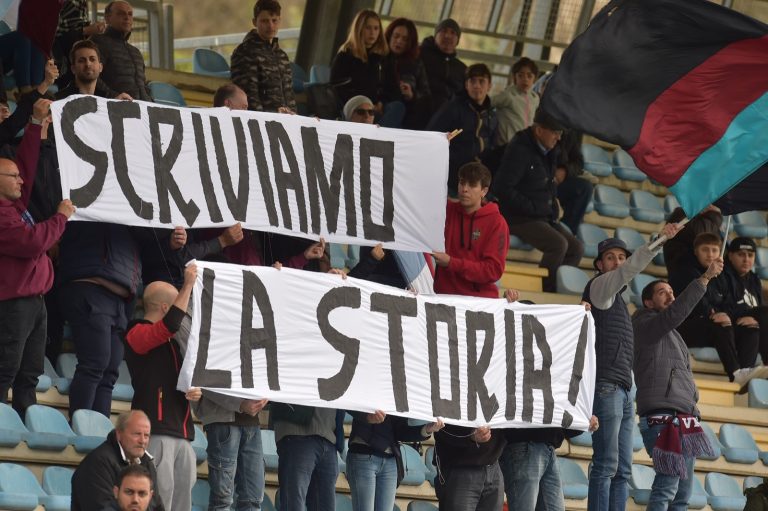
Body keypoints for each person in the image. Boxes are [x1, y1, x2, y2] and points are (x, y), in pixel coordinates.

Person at [582, 225, 682, 511]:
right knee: (606, 464)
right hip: (607, 386)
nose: (617, 262)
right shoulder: (599, 288)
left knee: (622, 469)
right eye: (610, 258)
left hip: (624, 389)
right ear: (599, 265)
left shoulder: (617, 300)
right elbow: (627, 272)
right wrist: (659, 241)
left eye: (621, 257)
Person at [0, 99, 75, 418]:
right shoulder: (2, 215)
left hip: (36, 300)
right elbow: (32, 242)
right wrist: (60, 218)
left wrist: (34, 125)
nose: (21, 180)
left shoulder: (14, 206)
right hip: (13, 303)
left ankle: (21, 424)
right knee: (6, 369)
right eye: (12, 176)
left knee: (30, 373)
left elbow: (27, 167)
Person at [633, 257, 723, 510]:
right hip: (662, 418)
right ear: (648, 302)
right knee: (667, 486)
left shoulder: (672, 333)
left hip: (684, 418)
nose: (671, 296)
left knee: (683, 495)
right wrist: (705, 278)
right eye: (663, 292)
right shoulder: (643, 323)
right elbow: (675, 314)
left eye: (672, 291)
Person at [123, 265, 198, 511]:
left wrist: (194, 390)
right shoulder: (136, 332)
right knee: (158, 501)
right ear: (166, 308)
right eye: (180, 304)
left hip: (183, 432)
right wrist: (187, 285)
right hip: (156, 431)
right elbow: (170, 324)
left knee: (182, 504)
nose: (183, 311)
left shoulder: (174, 344)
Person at [492, 107, 583, 293]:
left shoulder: (549, 150)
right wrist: (531, 207)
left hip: (542, 215)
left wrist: (552, 207)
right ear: (539, 130)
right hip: (518, 217)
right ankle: (546, 293)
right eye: (555, 132)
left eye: (560, 133)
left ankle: (560, 290)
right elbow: (502, 187)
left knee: (576, 248)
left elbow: (548, 183)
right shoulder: (520, 150)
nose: (558, 138)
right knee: (558, 245)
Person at [670, 233, 764, 385]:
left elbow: (728, 305)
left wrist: (733, 316)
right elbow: (695, 303)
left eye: (714, 250)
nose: (710, 255)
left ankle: (745, 376)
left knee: (750, 327)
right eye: (705, 250)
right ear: (695, 251)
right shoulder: (684, 270)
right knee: (721, 322)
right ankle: (735, 373)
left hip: (712, 327)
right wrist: (712, 312)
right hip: (685, 327)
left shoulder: (721, 275)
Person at [432, 162, 509, 298]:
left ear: (484, 191)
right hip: (443, 297)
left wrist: (451, 263)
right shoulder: (446, 210)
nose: (464, 189)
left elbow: (493, 270)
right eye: (462, 183)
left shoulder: (497, 223)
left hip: (479, 302)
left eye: (472, 185)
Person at [346, 410, 443, 511]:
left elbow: (401, 431)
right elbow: (349, 405)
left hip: (390, 459)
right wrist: (367, 416)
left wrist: (426, 429)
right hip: (364, 454)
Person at [427, 63, 498, 195]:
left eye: (481, 81)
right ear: (466, 85)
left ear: (489, 86)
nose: (477, 86)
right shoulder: (452, 108)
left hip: (479, 177)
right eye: (472, 81)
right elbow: (432, 136)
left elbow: (493, 145)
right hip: (452, 175)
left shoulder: (492, 113)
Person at [72, 410, 165, 511]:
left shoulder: (147, 463)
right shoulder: (97, 463)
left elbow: (156, 506)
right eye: (137, 434)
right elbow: (102, 507)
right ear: (119, 434)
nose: (142, 441)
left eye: (146, 435)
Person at [705, 237, 768, 380]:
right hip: (727, 326)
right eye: (741, 254)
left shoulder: (754, 279)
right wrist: (745, 315)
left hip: (749, 326)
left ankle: (743, 378)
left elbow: (758, 307)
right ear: (730, 256)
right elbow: (718, 310)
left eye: (750, 255)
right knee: (764, 314)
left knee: (756, 324)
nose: (746, 259)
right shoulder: (721, 275)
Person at [331, 10, 405, 128]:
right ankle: (376, 134)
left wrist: (381, 102)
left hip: (378, 107)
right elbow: (338, 88)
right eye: (368, 28)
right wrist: (366, 104)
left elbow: (393, 89)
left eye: (376, 28)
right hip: (357, 107)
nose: (372, 33)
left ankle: (375, 134)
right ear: (359, 29)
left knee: (397, 107)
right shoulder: (345, 55)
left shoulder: (384, 56)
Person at [230, 0, 296, 113]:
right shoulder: (245, 52)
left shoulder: (282, 56)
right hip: (260, 121)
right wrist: (272, 115)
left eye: (274, 20)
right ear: (254, 22)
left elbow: (290, 97)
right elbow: (247, 97)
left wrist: (296, 118)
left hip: (285, 120)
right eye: (265, 21)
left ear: (279, 21)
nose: (270, 26)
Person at [91, 0, 153, 101]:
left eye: (130, 14)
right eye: (121, 13)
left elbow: (143, 84)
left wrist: (150, 101)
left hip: (142, 107)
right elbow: (91, 76)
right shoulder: (98, 42)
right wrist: (114, 97)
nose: (127, 17)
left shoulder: (136, 52)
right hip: (114, 106)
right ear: (107, 18)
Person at [381, 17, 431, 129]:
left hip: (406, 113)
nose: (399, 41)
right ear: (389, 36)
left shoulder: (416, 63)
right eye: (396, 36)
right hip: (380, 106)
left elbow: (425, 94)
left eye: (405, 39)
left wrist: (411, 95)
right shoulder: (379, 57)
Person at [55, 39, 132, 99]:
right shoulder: (58, 100)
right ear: (73, 69)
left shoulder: (107, 99)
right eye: (81, 61)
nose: (88, 64)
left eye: (92, 59)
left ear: (100, 67)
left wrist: (116, 105)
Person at [419, 18, 466, 115]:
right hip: (420, 107)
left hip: (448, 114)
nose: (448, 36)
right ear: (435, 36)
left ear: (457, 40)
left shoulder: (462, 69)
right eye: (443, 31)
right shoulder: (420, 54)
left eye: (453, 33)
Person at [492, 57, 540, 147]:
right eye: (520, 75)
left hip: (525, 145)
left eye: (529, 76)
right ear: (515, 77)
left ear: (535, 79)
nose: (525, 79)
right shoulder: (508, 95)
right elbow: (488, 102)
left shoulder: (535, 98)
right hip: (506, 145)